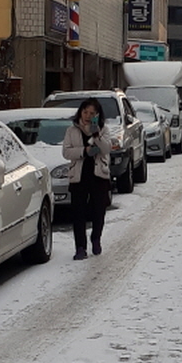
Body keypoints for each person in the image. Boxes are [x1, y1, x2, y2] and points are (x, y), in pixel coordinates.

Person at [62, 98, 112, 260]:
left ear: (97, 115)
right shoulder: (72, 130)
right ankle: (80, 247)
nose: (88, 116)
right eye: (85, 112)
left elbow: (106, 149)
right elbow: (66, 152)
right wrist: (84, 151)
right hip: (79, 176)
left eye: (92, 113)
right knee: (78, 213)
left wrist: (96, 133)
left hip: (99, 175)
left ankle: (96, 238)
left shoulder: (103, 130)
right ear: (80, 112)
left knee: (98, 210)